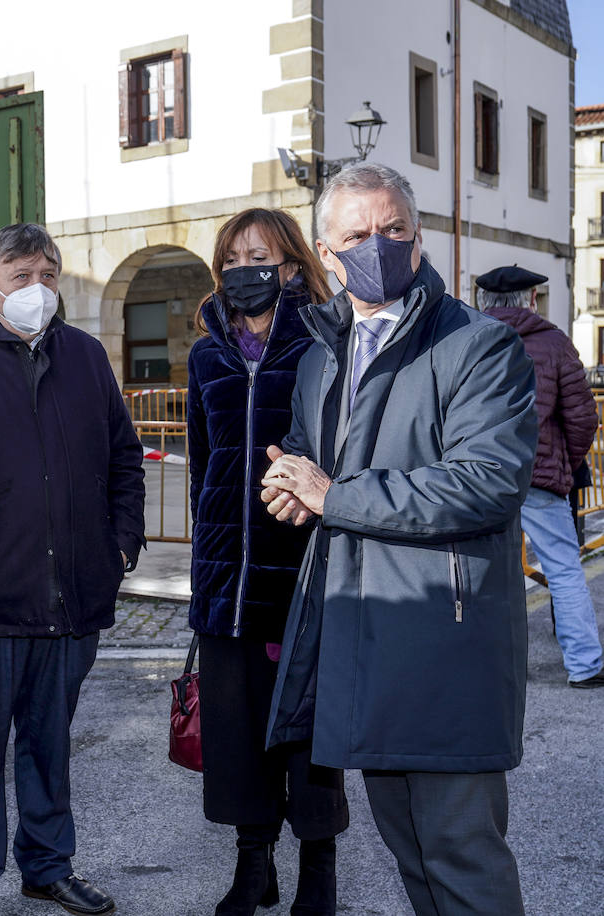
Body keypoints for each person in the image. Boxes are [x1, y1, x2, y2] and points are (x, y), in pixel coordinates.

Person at [261, 163, 536, 916]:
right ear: (324, 250)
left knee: (462, 861)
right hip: (361, 637)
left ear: (417, 241)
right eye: (357, 234)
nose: (377, 245)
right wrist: (293, 487)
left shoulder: (479, 346)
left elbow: (486, 483)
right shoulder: (323, 352)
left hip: (442, 640)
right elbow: (318, 463)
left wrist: (333, 494)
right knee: (413, 855)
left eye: (394, 231)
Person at [0, 223, 146, 916]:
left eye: (50, 275)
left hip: (72, 599)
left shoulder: (85, 356)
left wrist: (120, 546)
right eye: (22, 276)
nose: (39, 290)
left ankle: (47, 867)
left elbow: (123, 456)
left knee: (49, 750)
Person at [186, 209, 347, 916]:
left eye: (261, 255)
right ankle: (255, 865)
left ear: (291, 265)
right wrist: (207, 560)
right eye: (232, 258)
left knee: (310, 736)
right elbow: (200, 466)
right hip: (227, 580)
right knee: (239, 735)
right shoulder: (205, 355)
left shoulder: (324, 343)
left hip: (303, 576)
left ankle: (320, 866)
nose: (244, 269)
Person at [478, 265, 604, 687]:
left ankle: (487, 669)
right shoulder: (554, 343)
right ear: (532, 300)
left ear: (483, 301)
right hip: (538, 476)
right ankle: (584, 666)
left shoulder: (466, 337)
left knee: (483, 573)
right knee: (564, 569)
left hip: (479, 477)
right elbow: (584, 416)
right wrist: (562, 463)